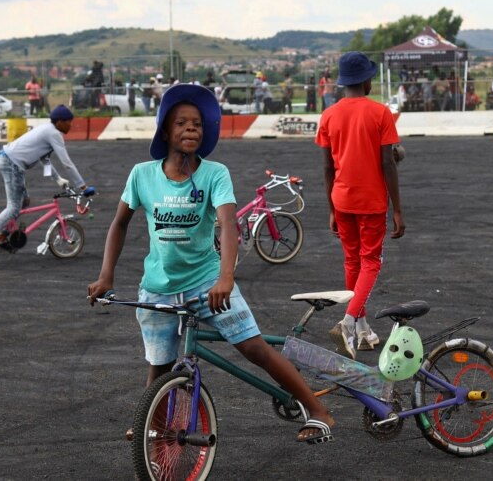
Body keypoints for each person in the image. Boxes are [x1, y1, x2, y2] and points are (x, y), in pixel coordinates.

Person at [86, 84, 337, 444]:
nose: (191, 129)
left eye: (198, 124)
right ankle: (152, 423)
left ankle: (317, 410)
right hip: (158, 287)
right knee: (159, 363)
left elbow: (229, 223)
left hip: (207, 282)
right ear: (165, 131)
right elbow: (119, 223)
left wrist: (226, 277)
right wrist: (106, 275)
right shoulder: (142, 174)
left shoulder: (214, 174)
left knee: (253, 348)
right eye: (182, 123)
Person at [316, 52, 404, 359]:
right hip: (371, 202)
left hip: (342, 200)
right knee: (371, 263)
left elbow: (327, 167)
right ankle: (349, 322)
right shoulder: (380, 113)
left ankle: (364, 329)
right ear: (366, 81)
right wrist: (397, 209)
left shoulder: (329, 115)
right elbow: (387, 163)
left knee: (352, 262)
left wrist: (330, 208)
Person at [0, 105, 89, 259]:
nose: (70, 125)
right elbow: (67, 163)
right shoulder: (53, 133)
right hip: (12, 163)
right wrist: (83, 186)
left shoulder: (48, 130)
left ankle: (1, 238)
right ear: (59, 122)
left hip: (9, 161)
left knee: (24, 202)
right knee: (13, 207)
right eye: (68, 122)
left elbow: (44, 160)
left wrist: (57, 178)